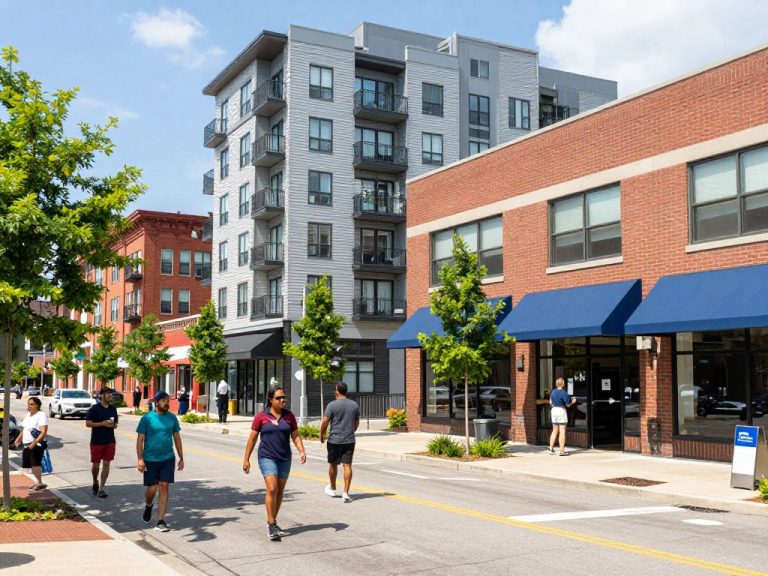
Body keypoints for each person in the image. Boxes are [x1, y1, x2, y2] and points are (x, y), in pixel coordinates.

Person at [242, 387, 306, 542]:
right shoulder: (261, 416)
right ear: (271, 400)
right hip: (267, 456)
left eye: (284, 397)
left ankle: (273, 521)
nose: (282, 400)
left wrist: (301, 450)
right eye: (278, 398)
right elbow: (252, 438)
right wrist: (246, 459)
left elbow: (295, 435)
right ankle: (271, 525)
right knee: (272, 488)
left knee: (280, 491)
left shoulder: (289, 415)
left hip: (284, 457)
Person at [136, 391, 184, 533]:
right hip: (150, 459)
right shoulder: (147, 418)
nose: (166, 403)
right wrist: (140, 459)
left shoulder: (172, 418)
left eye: (167, 400)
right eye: (163, 400)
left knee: (164, 485)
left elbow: (177, 437)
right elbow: (140, 440)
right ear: (156, 402)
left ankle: (161, 520)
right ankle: (149, 504)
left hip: (168, 458)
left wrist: (181, 457)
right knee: (152, 488)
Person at [320, 382, 359, 503]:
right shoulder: (354, 405)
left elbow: (325, 422)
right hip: (349, 439)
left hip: (334, 440)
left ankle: (332, 488)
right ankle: (346, 493)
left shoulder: (332, 405)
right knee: (347, 465)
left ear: (337, 391)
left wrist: (322, 435)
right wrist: (351, 431)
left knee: (333, 464)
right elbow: (356, 422)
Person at [86, 387, 119, 498]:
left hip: (110, 441)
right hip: (97, 441)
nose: (110, 396)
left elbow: (115, 424)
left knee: (106, 465)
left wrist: (113, 424)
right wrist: (102, 424)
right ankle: (95, 481)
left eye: (111, 394)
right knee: (96, 465)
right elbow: (88, 423)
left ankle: (101, 488)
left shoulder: (113, 409)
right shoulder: (94, 409)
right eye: (108, 394)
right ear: (102, 395)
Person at [13, 396, 49, 490]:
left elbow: (43, 431)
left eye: (31, 404)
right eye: (28, 404)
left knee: (35, 464)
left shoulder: (41, 415)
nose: (29, 406)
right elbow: (24, 430)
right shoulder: (28, 415)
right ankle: (38, 481)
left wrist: (35, 442)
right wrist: (17, 440)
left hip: (36, 444)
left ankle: (40, 483)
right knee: (28, 465)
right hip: (27, 444)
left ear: (37, 405)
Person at [549, 377, 578, 456]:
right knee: (562, 431)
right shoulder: (564, 392)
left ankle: (551, 449)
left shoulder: (553, 392)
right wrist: (573, 401)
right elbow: (568, 405)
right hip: (561, 411)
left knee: (554, 431)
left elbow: (550, 402)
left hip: (553, 410)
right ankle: (562, 451)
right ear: (563, 384)